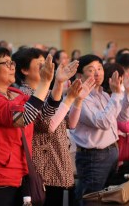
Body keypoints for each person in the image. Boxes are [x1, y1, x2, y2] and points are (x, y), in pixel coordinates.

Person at [0, 47, 54, 206]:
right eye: (6, 63)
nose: (12, 66)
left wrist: (60, 84)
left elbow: (44, 114)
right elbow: (22, 118)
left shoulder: (16, 94)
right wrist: (45, 82)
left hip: (18, 172)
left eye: (11, 62)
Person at [14, 47, 95, 206]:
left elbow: (70, 123)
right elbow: (46, 126)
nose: (47, 68)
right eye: (40, 64)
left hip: (56, 156)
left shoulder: (48, 91)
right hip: (42, 163)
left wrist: (78, 100)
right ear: (24, 70)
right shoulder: (23, 94)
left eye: (47, 63)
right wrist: (67, 97)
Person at [70, 54, 129, 204]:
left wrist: (127, 92)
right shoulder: (79, 99)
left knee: (109, 199)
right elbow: (103, 122)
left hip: (111, 152)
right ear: (80, 75)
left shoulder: (103, 95)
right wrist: (116, 94)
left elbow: (123, 117)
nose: (97, 73)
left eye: (100, 68)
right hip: (93, 157)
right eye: (91, 69)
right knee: (93, 199)